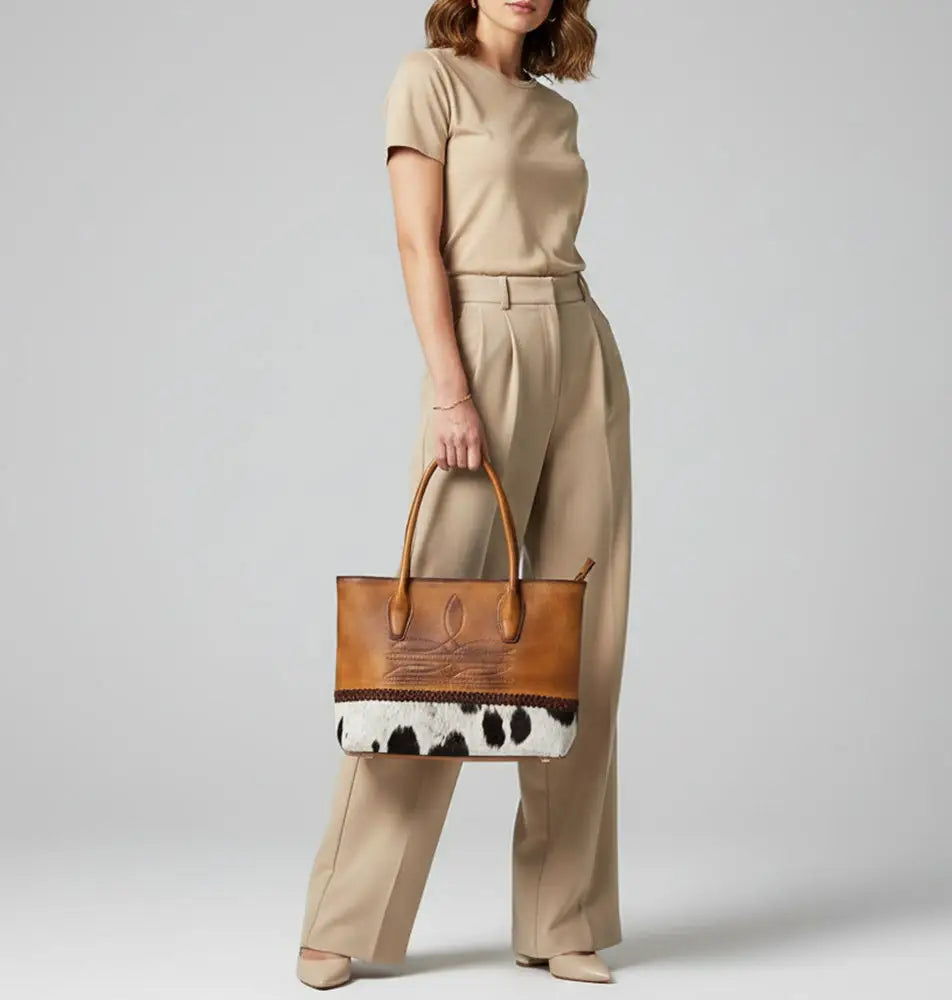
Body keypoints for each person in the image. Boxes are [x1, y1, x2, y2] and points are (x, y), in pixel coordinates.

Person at [296, 0, 631, 988]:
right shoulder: (427, 79)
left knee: (582, 629)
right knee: (433, 638)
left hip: (579, 339)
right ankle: (344, 918)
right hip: (481, 340)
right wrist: (450, 384)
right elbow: (417, 243)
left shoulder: (553, 111)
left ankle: (559, 917)